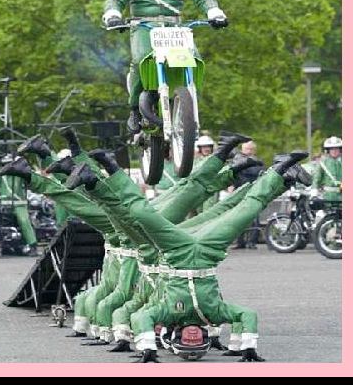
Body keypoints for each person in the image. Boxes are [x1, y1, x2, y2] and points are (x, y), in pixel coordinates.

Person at [65, 147, 310, 362]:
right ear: (204, 336)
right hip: (208, 251)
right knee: (244, 210)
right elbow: (246, 314)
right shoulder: (214, 314)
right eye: (197, 342)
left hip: (174, 251)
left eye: (187, 341)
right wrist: (245, 347)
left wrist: (147, 349)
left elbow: (140, 317)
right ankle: (280, 173)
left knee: (139, 213)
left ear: (175, 335)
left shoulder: (167, 312)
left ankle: (100, 175)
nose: (192, 337)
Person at [102, 0, 228, 133]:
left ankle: (188, 108)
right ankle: (134, 109)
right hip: (143, 26)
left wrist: (214, 12)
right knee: (141, 60)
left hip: (174, 26)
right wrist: (113, 14)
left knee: (194, 59)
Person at [0, 154, 38, 256]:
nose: (6, 166)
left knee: (24, 221)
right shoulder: (1, 174)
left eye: (8, 164)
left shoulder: (19, 174)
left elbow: (30, 179)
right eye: (4, 164)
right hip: (3, 204)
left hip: (19, 204)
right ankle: (4, 246)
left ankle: (33, 245)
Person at [230, 141, 265, 249]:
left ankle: (252, 242)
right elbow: (232, 173)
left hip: (253, 192)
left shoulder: (258, 162)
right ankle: (240, 242)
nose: (248, 151)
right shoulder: (237, 160)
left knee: (254, 218)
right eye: (246, 149)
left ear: (254, 150)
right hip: (239, 191)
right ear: (242, 149)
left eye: (251, 149)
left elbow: (258, 174)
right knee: (238, 217)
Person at [311, 136, 342, 202]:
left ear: (340, 149)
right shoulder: (322, 163)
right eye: (332, 149)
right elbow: (316, 179)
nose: (334, 151)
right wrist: (314, 195)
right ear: (328, 150)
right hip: (326, 197)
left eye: (337, 148)